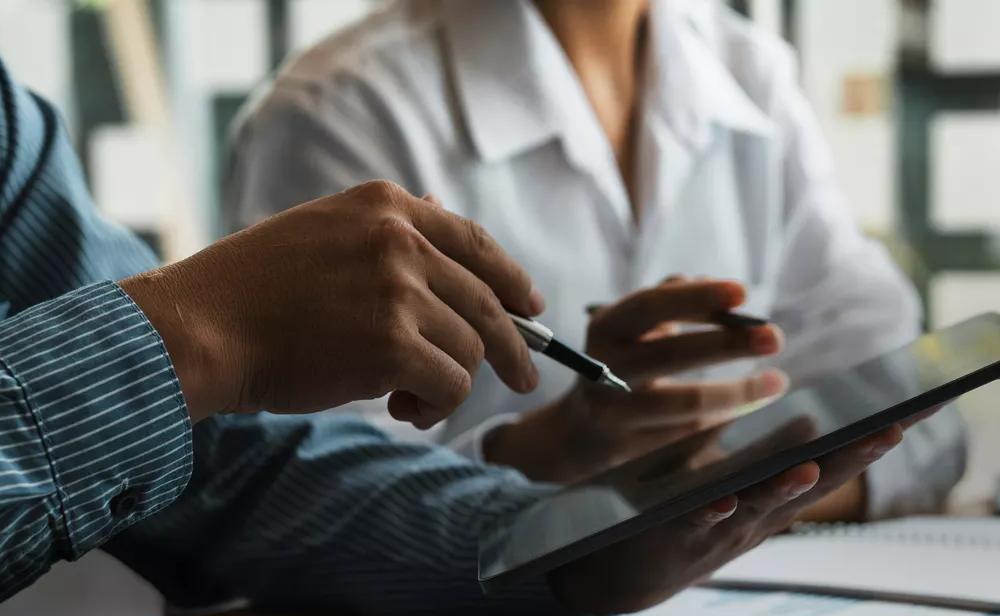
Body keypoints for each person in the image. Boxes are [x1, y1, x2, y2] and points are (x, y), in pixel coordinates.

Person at [0, 56, 903, 616]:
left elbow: (229, 468)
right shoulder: (341, 106)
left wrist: (550, 543)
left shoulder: (9, 127)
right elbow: (224, 432)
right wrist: (201, 335)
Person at [228, 0, 965, 521]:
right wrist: (551, 458)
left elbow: (924, 412)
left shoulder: (751, 73)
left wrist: (733, 491)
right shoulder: (341, 110)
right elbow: (292, 491)